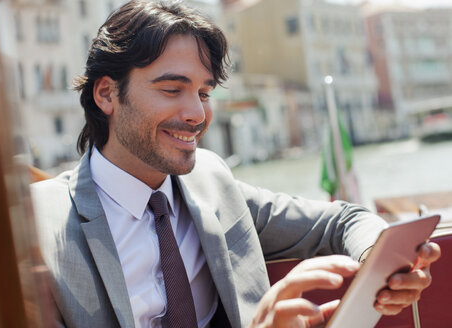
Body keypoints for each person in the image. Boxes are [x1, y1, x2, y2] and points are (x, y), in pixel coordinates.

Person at [30, 1, 440, 327]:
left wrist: (381, 262)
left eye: (204, 93)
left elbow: (342, 220)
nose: (197, 114)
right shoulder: (36, 225)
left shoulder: (212, 180)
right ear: (106, 95)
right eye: (172, 89)